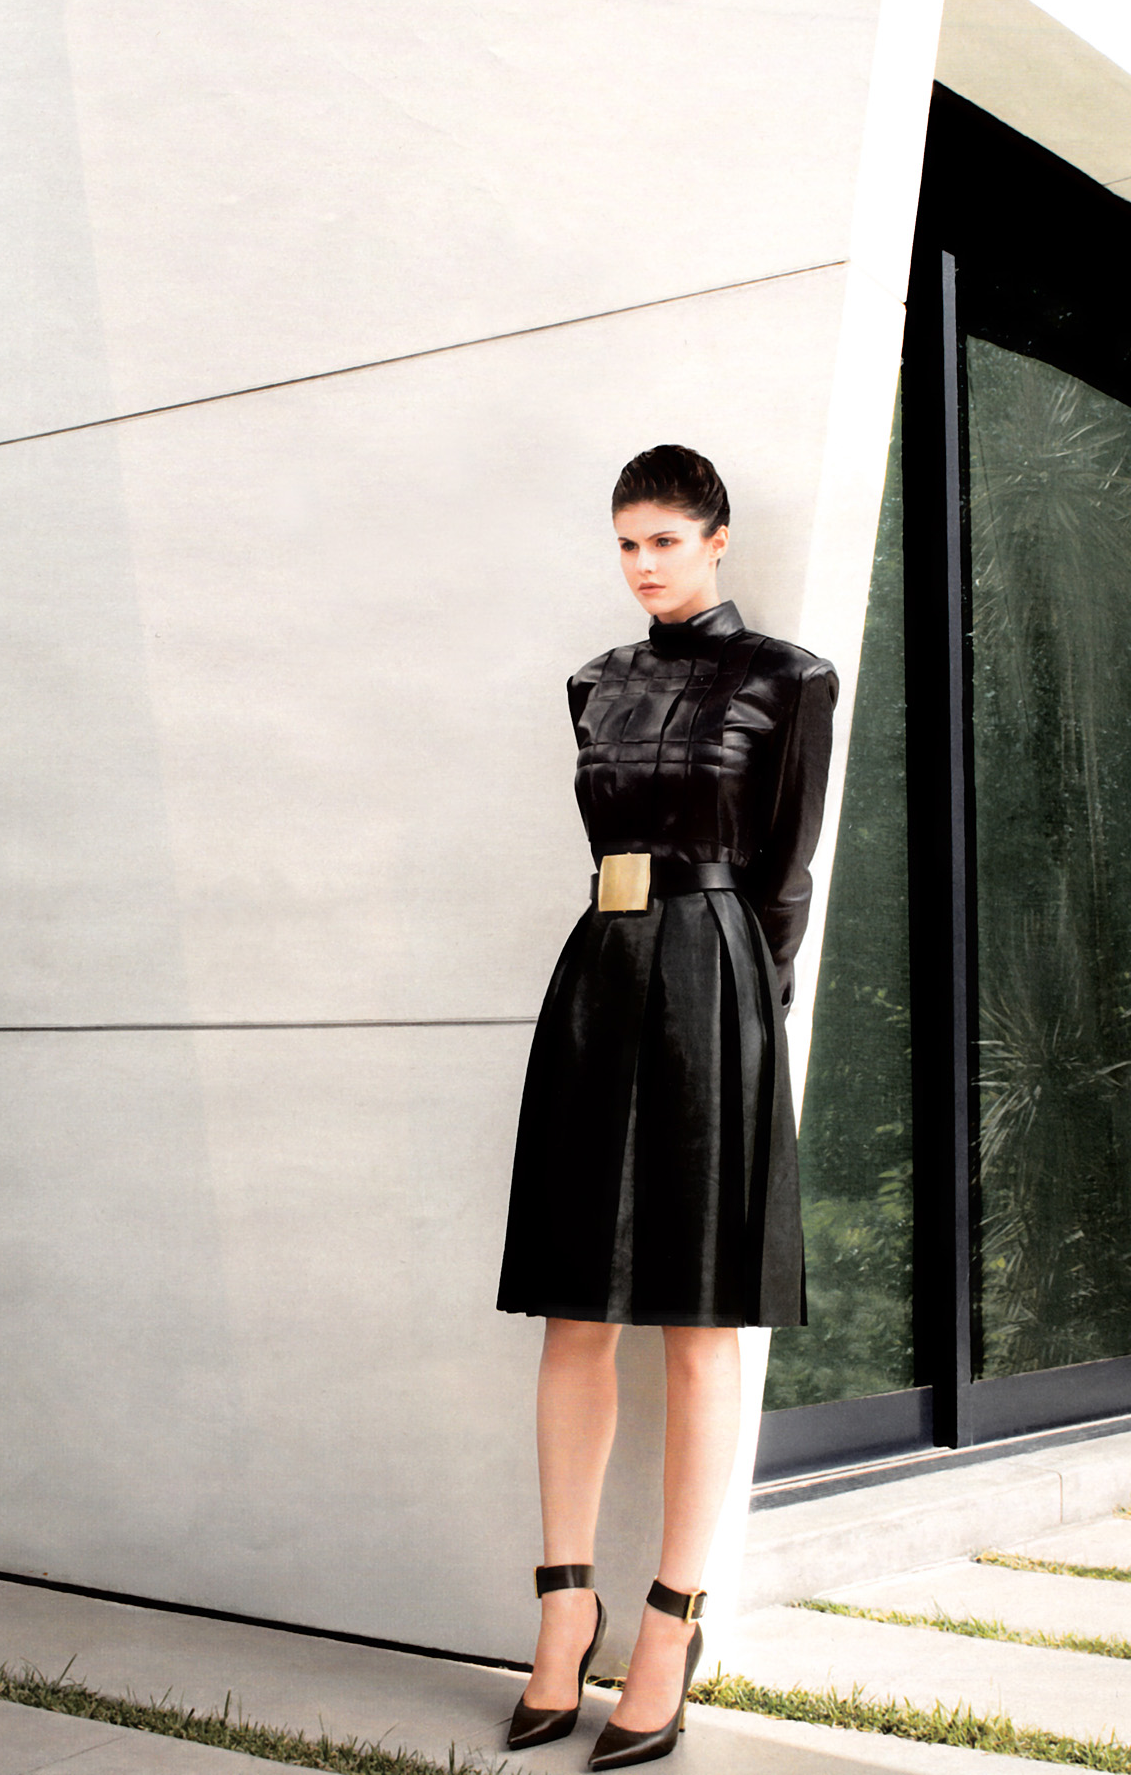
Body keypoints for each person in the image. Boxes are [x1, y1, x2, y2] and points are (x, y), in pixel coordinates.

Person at [496, 444, 837, 1769]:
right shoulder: (594, 684)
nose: (642, 564)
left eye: (664, 540)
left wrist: (747, 1016)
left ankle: (671, 1621)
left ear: (717, 539)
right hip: (599, 976)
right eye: (626, 542)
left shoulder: (789, 679)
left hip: (717, 983)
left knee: (699, 1321)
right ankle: (562, 1605)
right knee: (574, 1309)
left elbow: (786, 877)